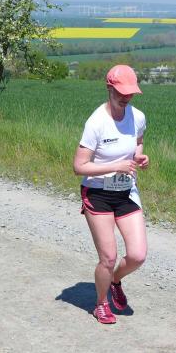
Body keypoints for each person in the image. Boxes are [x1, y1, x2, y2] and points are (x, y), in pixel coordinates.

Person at [73, 64, 149, 324]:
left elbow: (138, 142)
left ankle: (115, 281)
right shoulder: (96, 123)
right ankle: (101, 303)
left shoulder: (137, 117)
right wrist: (115, 166)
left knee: (137, 255)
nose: (126, 97)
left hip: (126, 191)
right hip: (98, 194)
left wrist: (139, 158)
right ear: (109, 88)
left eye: (130, 93)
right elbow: (79, 166)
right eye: (121, 92)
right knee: (108, 257)